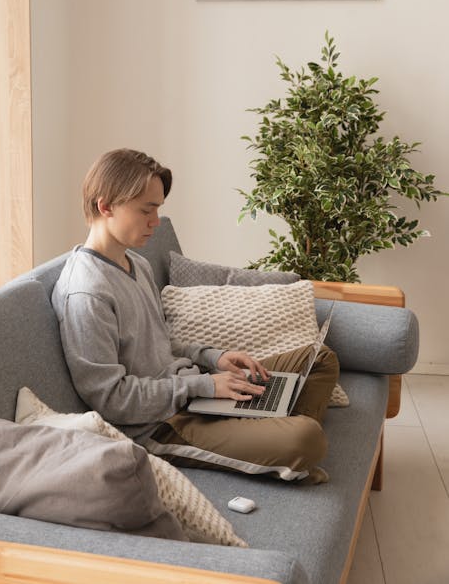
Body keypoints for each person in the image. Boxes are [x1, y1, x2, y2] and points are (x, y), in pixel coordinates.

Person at [52, 148, 339, 483]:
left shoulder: (137, 264)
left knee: (319, 360)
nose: (155, 222)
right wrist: (202, 386)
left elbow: (157, 340)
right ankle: (279, 439)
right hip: (162, 425)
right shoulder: (86, 291)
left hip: (193, 390)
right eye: (146, 210)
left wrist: (213, 358)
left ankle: (267, 431)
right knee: (305, 438)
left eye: (157, 209)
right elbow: (112, 400)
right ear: (105, 206)